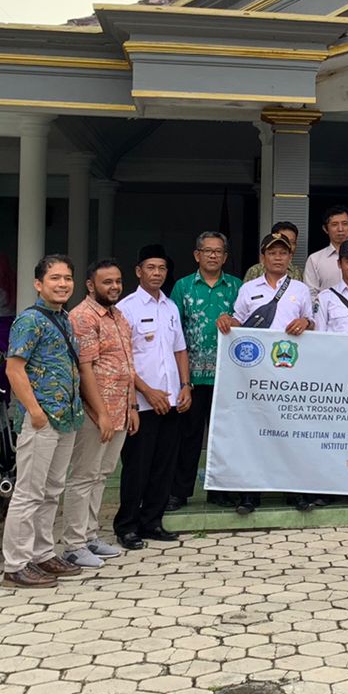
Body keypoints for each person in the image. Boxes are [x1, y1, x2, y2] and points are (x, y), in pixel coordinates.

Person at [0, 254, 85, 588]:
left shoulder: (62, 319)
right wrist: (35, 412)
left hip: (65, 419)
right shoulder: (30, 321)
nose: (62, 284)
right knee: (29, 493)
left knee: (51, 491)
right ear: (39, 284)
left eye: (67, 278)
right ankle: (16, 564)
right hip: (42, 420)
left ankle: (43, 554)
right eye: (55, 278)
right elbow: (14, 369)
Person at [218, 232, 315, 514]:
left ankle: (295, 491)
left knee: (292, 431)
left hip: (291, 370)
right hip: (256, 373)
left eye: (283, 253)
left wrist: (305, 321)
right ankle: (249, 494)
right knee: (253, 431)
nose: (278, 257)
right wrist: (227, 321)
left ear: (289, 257)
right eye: (272, 253)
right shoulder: (249, 289)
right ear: (263, 257)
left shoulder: (300, 289)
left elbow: (312, 324)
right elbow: (239, 321)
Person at [114, 245, 191, 550]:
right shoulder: (126, 308)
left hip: (172, 400)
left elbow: (180, 350)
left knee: (164, 465)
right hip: (142, 404)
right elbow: (122, 359)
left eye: (161, 268)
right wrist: (147, 391)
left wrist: (185, 386)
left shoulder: (170, 307)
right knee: (137, 466)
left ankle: (152, 522)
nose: (157, 273)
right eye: (151, 268)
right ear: (138, 271)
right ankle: (127, 526)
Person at [63, 258, 138, 569]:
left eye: (118, 281)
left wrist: (132, 406)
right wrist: (102, 414)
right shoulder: (82, 317)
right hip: (97, 413)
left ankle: (90, 536)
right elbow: (84, 370)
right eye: (107, 282)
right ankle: (73, 544)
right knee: (83, 477)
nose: (115, 287)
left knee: (101, 475)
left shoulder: (118, 316)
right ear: (91, 285)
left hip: (121, 409)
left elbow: (127, 365)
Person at [169, 231, 241, 511]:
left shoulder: (237, 287)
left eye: (218, 251)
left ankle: (220, 490)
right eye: (207, 250)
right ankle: (180, 491)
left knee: (224, 437)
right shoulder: (183, 287)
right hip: (192, 378)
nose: (213, 255)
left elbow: (249, 322)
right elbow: (173, 332)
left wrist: (234, 320)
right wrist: (181, 379)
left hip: (229, 377)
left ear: (225, 256)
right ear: (196, 255)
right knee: (188, 436)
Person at [306, 205, 348, 297]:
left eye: (344, 224)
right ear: (325, 229)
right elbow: (311, 295)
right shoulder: (314, 259)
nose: (340, 229)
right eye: (334, 224)